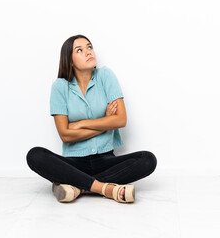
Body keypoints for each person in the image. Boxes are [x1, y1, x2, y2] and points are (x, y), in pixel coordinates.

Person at [26, 34, 157, 203]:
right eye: (79, 50)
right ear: (70, 60)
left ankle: (77, 186)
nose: (88, 52)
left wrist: (80, 124)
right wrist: (105, 122)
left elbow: (120, 120)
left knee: (147, 160)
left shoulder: (106, 76)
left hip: (106, 160)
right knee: (35, 155)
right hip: (74, 163)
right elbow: (65, 135)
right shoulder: (59, 86)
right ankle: (106, 189)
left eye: (89, 47)